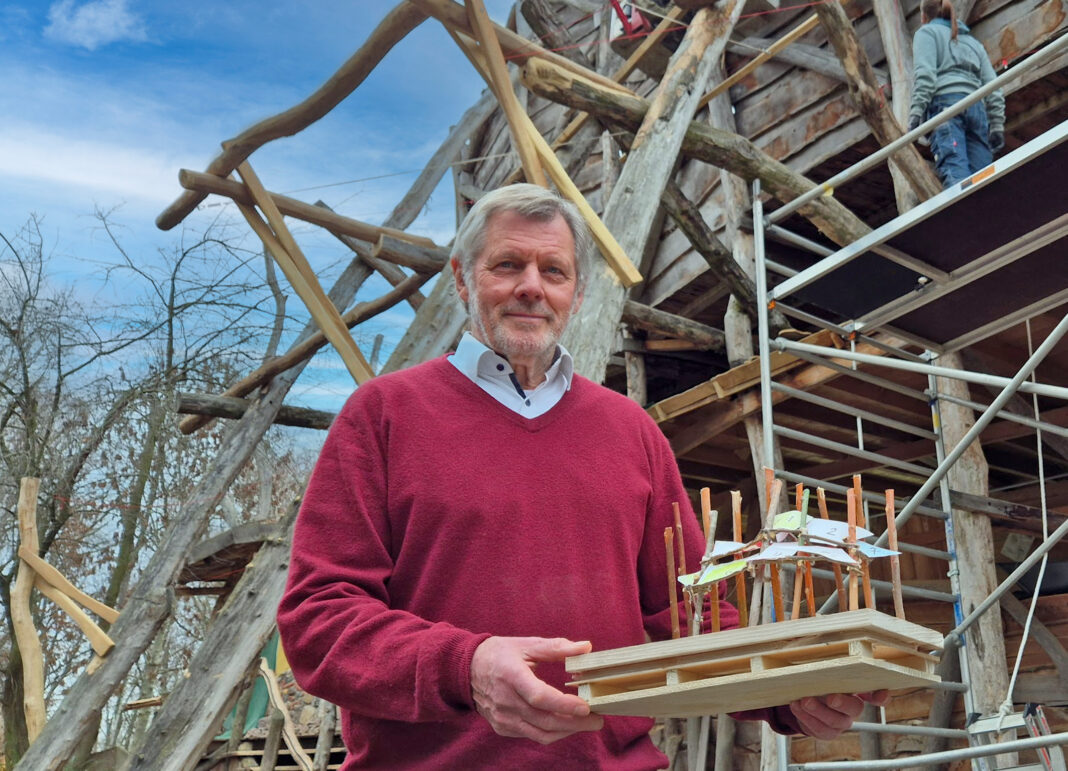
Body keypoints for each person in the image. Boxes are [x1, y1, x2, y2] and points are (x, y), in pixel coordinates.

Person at [277, 184, 885, 769]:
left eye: (555, 271)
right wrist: (464, 665)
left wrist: (788, 694)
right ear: (463, 279)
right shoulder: (384, 415)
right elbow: (317, 617)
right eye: (507, 264)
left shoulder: (630, 430)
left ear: (579, 291)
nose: (531, 288)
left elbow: (687, 617)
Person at [908, 0, 1006, 188]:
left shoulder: (926, 33)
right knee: (984, 181)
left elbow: (926, 76)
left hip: (945, 109)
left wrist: (915, 114)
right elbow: (993, 86)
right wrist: (997, 125)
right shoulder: (973, 43)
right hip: (976, 110)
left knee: (957, 180)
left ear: (923, 17)